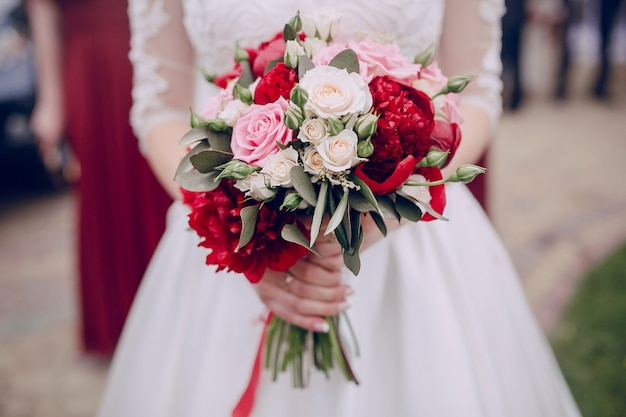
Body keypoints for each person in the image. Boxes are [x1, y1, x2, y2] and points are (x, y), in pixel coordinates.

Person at [97, 1, 582, 416]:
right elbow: (160, 108)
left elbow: (476, 94)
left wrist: (378, 212)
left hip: (405, 238)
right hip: (239, 242)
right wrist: (247, 237)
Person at [25, 0, 172, 357]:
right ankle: (122, 325)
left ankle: (173, 314)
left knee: (163, 188)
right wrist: (51, 101)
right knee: (107, 204)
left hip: (158, 61)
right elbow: (41, 9)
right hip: (90, 74)